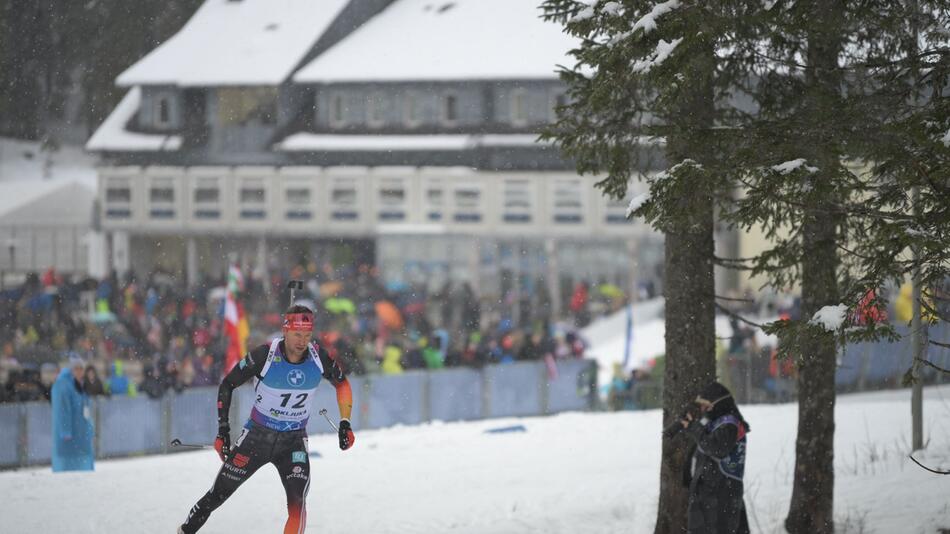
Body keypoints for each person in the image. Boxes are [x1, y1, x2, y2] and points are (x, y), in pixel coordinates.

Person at [179, 304, 355, 534]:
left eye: (307, 335)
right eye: (297, 334)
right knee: (217, 495)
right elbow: (227, 384)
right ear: (285, 331)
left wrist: (345, 423)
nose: (303, 341)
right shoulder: (265, 355)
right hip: (256, 438)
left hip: (293, 442)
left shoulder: (318, 356)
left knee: (298, 505)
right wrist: (223, 431)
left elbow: (342, 384)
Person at [677, 381, 750, 534]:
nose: (703, 409)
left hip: (722, 495)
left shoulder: (730, 424)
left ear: (717, 404)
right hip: (709, 495)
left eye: (706, 405)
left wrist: (694, 428)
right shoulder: (713, 423)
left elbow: (716, 448)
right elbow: (701, 449)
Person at [51, 356, 94, 472]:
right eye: (76, 368)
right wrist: (65, 431)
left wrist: (90, 427)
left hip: (80, 433)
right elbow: (63, 410)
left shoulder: (80, 384)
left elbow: (86, 409)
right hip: (70, 436)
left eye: (81, 368)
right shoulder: (64, 385)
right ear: (71, 370)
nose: (79, 371)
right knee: (68, 465)